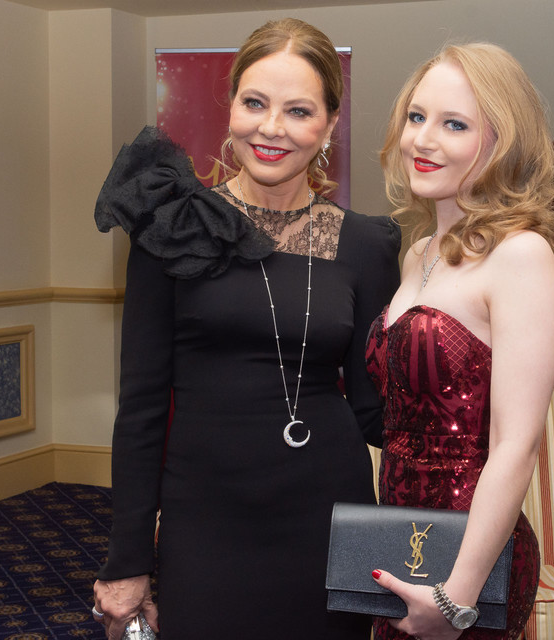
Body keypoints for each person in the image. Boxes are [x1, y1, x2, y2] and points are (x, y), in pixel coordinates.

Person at [91, 18, 401, 640]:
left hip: (329, 515)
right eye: (255, 103)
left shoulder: (367, 245)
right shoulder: (171, 227)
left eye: (298, 110)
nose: (271, 127)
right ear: (230, 107)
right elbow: (142, 406)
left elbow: (376, 412)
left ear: (330, 125)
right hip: (205, 517)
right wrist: (127, 560)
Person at [365, 43, 554, 640]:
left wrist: (456, 597)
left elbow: (516, 445)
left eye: (454, 124)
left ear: (502, 142)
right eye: (416, 116)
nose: (423, 140)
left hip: (467, 568)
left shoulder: (521, 253)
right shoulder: (418, 253)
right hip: (401, 547)